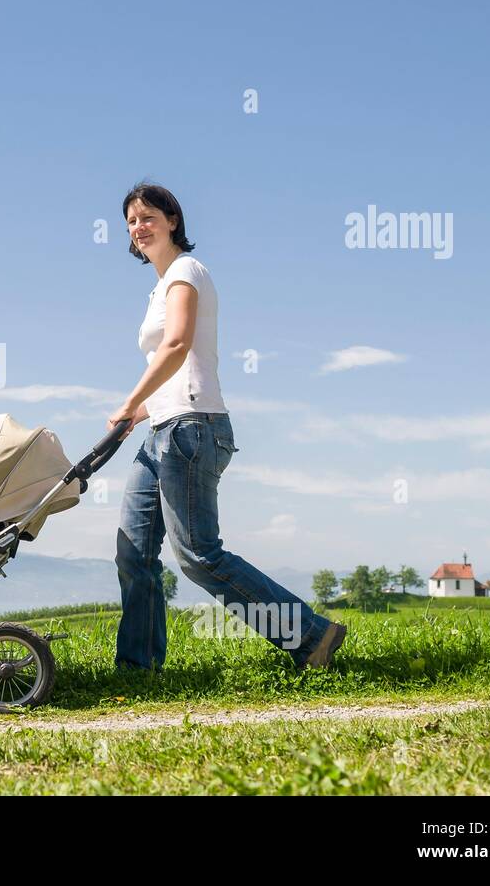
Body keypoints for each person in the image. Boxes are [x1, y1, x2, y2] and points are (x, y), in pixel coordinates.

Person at [105, 181, 346, 672]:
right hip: (163, 429)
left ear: (173, 221)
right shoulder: (159, 284)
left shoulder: (186, 271)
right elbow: (177, 365)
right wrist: (140, 412)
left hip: (192, 430)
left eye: (148, 216)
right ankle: (139, 665)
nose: (138, 226)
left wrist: (130, 400)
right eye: (131, 221)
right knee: (133, 551)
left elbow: (177, 345)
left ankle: (312, 636)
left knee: (198, 555)